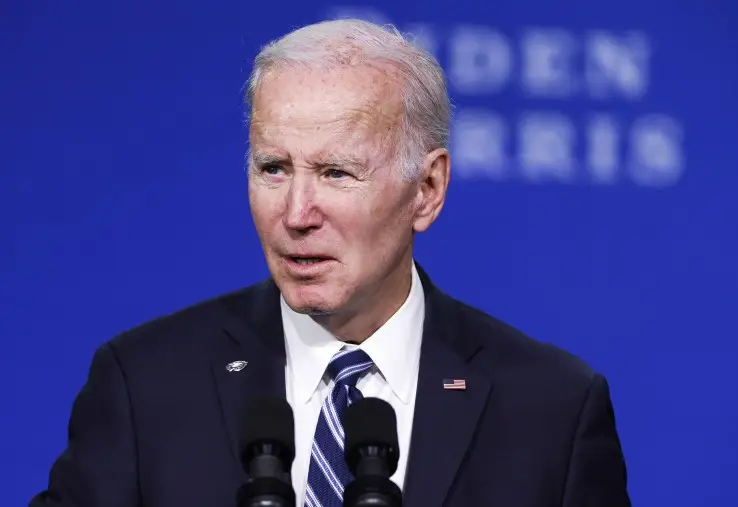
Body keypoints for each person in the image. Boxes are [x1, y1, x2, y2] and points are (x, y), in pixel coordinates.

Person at [30, 18, 631, 507]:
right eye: (274, 168)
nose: (296, 213)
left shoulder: (551, 411)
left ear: (427, 189)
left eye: (336, 173)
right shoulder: (145, 386)